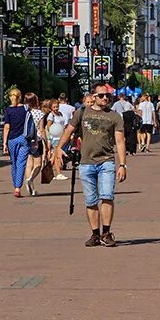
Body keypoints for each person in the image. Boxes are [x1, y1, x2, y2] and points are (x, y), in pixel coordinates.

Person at [56, 83, 128, 247]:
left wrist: (122, 165)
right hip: (86, 162)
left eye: (107, 96)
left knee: (107, 196)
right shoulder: (81, 112)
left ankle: (106, 233)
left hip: (106, 161)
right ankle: (95, 234)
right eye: (102, 95)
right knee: (90, 200)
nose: (105, 98)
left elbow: (120, 141)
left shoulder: (115, 116)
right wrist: (59, 148)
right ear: (93, 96)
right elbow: (68, 131)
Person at [2, 88, 32, 198]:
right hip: (24, 138)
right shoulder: (25, 109)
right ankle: (17, 187)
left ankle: (16, 185)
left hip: (11, 139)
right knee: (21, 163)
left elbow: (7, 127)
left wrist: (4, 143)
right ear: (20, 97)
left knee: (14, 163)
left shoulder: (8, 110)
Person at [22, 93, 48, 196]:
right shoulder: (39, 113)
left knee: (29, 164)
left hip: (26, 139)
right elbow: (41, 129)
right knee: (38, 164)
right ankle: (30, 179)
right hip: (36, 140)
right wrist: (46, 141)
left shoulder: (24, 113)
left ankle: (31, 188)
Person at [46, 100, 69, 180]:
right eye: (54, 107)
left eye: (57, 106)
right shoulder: (51, 116)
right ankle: (58, 174)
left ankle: (47, 172)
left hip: (61, 137)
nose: (56, 108)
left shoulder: (60, 114)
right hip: (55, 138)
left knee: (54, 156)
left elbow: (62, 124)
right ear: (51, 108)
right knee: (56, 156)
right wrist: (53, 134)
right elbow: (48, 127)